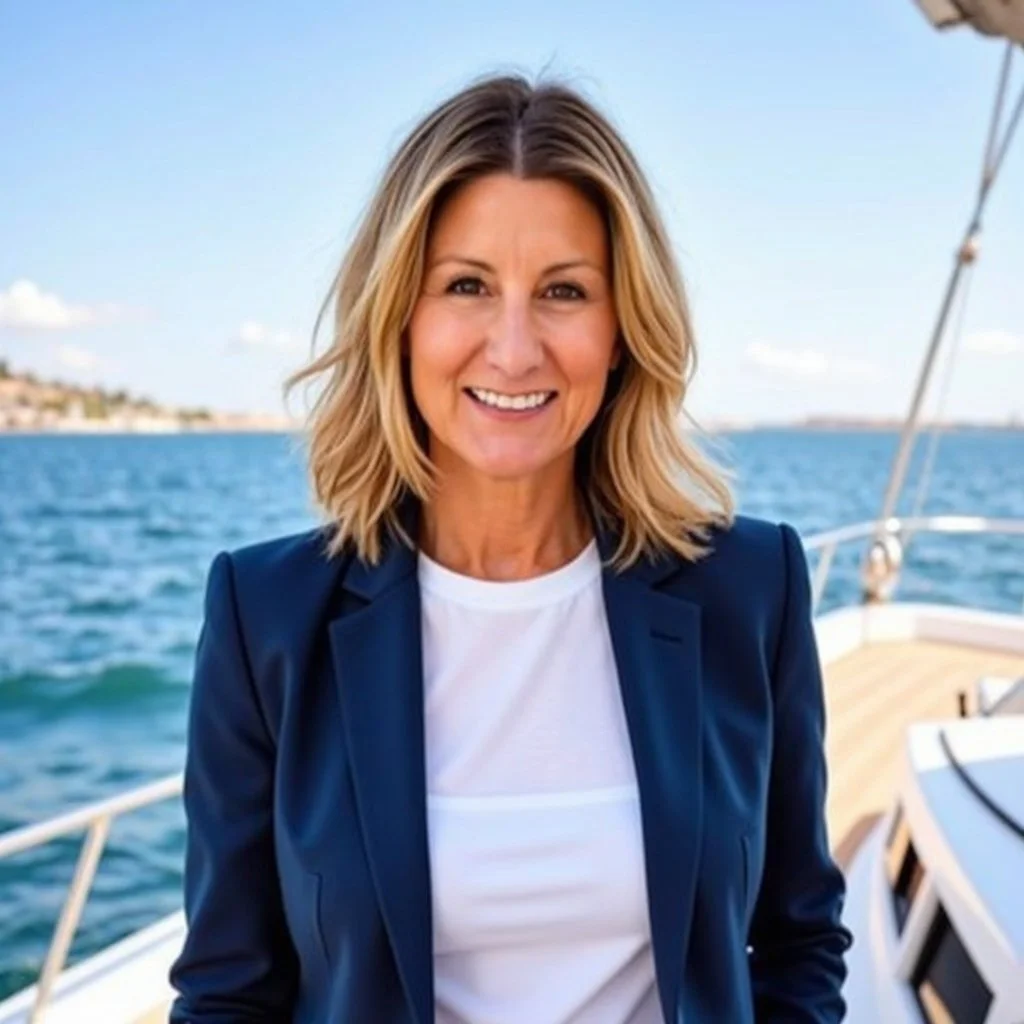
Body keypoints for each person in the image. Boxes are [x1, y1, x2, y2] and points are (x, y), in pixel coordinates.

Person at [168, 73, 852, 1024]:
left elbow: (799, 939)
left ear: (622, 333)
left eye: (566, 291)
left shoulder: (750, 588)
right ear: (399, 318)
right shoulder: (267, 616)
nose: (516, 348)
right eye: (467, 286)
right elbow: (228, 993)